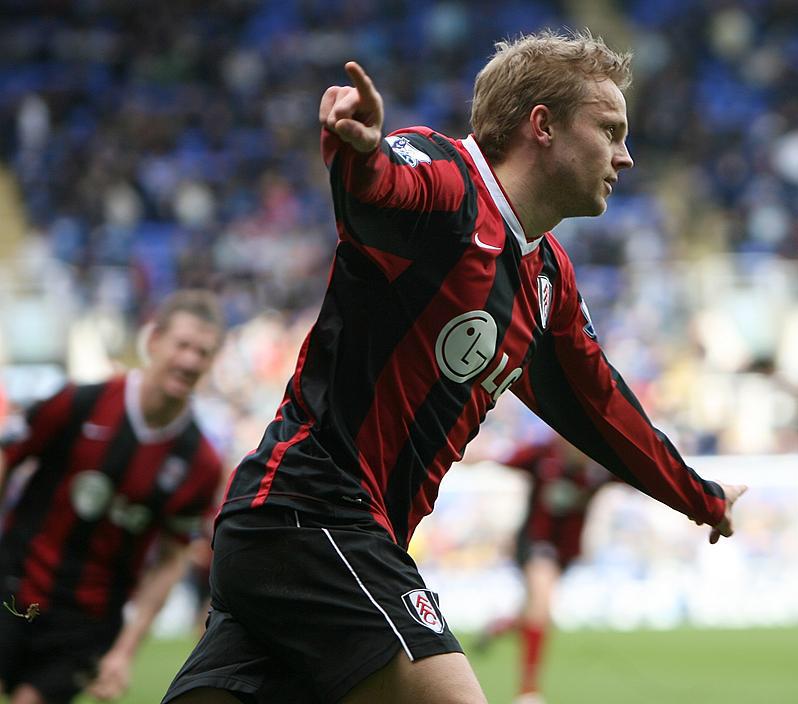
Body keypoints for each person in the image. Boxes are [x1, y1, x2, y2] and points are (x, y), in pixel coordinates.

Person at [163, 29, 746, 704]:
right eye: (610, 130)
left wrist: (699, 497)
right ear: (543, 126)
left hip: (307, 538)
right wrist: (357, 150)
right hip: (315, 514)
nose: (626, 155)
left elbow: (603, 407)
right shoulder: (450, 184)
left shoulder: (546, 277)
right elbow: (382, 187)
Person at [0, 289, 226, 704]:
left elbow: (172, 557)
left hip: (87, 618)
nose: (190, 360)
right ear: (154, 340)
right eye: (182, 345)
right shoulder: (82, 401)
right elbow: (7, 455)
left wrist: (125, 650)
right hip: (14, 581)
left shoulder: (201, 463)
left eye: (203, 352)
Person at [473, 434, 622, 704]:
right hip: (534, 543)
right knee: (542, 603)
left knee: (533, 612)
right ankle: (528, 692)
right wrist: (474, 455)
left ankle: (499, 627)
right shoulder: (542, 454)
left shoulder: (600, 467)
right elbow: (504, 458)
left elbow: (638, 475)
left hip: (566, 551)